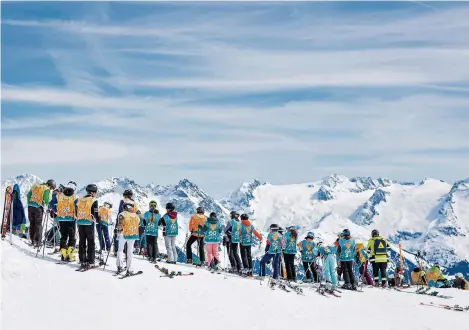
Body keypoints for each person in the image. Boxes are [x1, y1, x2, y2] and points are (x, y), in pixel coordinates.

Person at [51, 181, 78, 262]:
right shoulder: (75, 196)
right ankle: (70, 255)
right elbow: (77, 207)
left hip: (61, 218)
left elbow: (52, 203)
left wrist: (56, 211)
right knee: (72, 237)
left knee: (63, 236)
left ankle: (63, 255)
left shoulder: (59, 195)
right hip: (71, 219)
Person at [27, 179, 56, 247]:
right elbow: (45, 200)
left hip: (30, 207)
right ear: (50, 185)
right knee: (38, 224)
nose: (51, 189)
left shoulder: (35, 186)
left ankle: (32, 240)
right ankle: (38, 241)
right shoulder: (46, 189)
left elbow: (28, 195)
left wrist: (30, 202)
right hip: (38, 207)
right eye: (52, 188)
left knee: (32, 223)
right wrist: (46, 207)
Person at [76, 184, 99, 268]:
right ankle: (91, 261)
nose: (95, 194)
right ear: (92, 192)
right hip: (89, 223)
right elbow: (96, 213)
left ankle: (82, 260)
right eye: (95, 192)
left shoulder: (80, 200)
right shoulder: (93, 200)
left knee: (82, 241)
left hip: (80, 223)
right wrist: (99, 220)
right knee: (91, 242)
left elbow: (76, 211)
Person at [113, 190, 141, 255]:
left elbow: (120, 211)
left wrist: (118, 222)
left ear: (124, 195)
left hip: (123, 219)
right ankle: (126, 251)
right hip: (131, 222)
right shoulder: (134, 203)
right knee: (128, 237)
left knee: (119, 235)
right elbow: (136, 213)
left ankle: (117, 250)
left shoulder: (123, 201)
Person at [116, 203, 140, 275]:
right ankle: (129, 269)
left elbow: (120, 226)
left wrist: (118, 230)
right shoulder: (136, 216)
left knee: (120, 250)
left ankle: (120, 266)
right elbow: (138, 223)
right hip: (133, 234)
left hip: (124, 234)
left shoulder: (122, 214)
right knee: (130, 251)